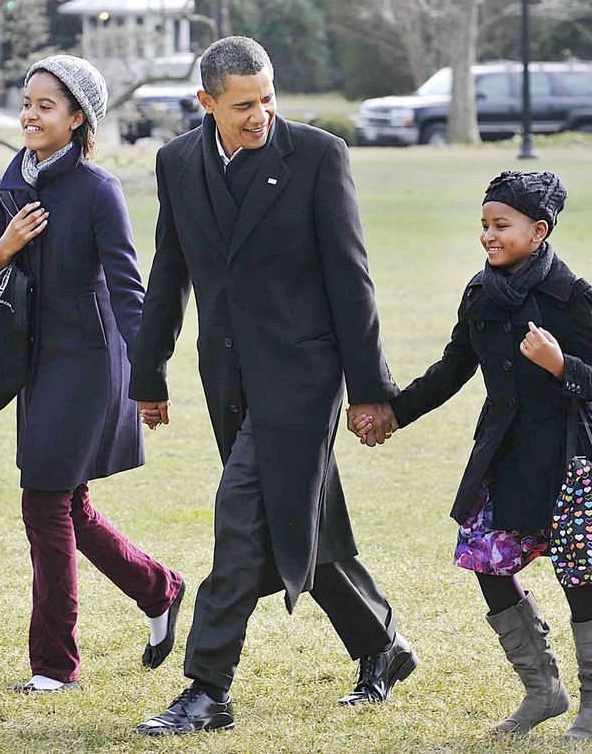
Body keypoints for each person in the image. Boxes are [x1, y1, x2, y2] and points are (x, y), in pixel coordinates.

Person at [128, 36, 416, 735]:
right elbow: (170, 273)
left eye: (268, 98)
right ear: (206, 103)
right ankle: (382, 644)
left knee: (243, 514)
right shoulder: (175, 163)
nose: (260, 115)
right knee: (293, 514)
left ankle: (207, 689)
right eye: (242, 105)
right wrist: (148, 372)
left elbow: (352, 281)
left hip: (305, 377)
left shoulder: (318, 157)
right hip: (227, 377)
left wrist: (371, 388)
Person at [354, 171, 592, 741]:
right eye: (484, 225)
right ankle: (542, 691)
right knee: (487, 563)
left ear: (538, 231)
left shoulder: (569, 293)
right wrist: (392, 413)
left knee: (578, 575)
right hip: (504, 452)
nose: (488, 235)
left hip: (568, 457)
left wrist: (559, 363)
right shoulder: (481, 293)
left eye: (500, 225)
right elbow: (453, 369)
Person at [0, 55, 185, 694]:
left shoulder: (98, 189)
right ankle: (160, 589)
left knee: (43, 500)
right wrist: (5, 246)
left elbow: (127, 288)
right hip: (33, 362)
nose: (29, 115)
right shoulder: (13, 179)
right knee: (68, 503)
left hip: (91, 363)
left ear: (77, 117)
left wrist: (147, 373)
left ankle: (54, 666)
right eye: (27, 102)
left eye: (45, 105)